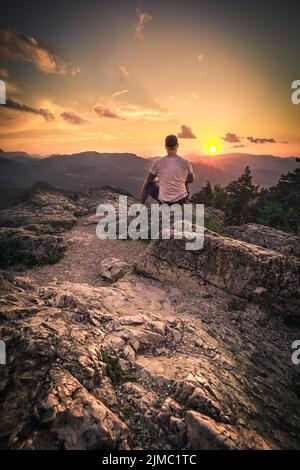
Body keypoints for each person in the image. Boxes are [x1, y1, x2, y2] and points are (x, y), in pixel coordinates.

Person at [141, 135, 194, 205]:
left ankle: (141, 206)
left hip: (164, 201)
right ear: (177, 145)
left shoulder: (158, 163)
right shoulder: (186, 162)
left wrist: (159, 179)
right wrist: (180, 180)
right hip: (181, 199)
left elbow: (149, 181)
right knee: (184, 182)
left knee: (146, 184)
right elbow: (191, 180)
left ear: (165, 146)